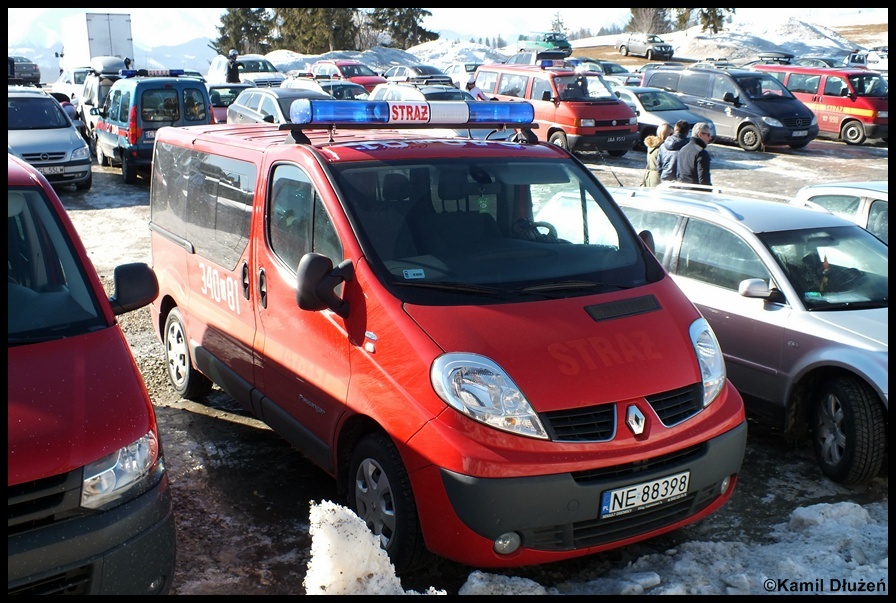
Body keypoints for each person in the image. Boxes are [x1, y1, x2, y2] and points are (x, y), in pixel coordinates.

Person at [676, 121, 713, 186]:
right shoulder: (701, 153)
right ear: (700, 135)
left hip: (682, 190)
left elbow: (679, 175)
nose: (710, 138)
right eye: (708, 135)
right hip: (696, 193)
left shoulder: (682, 150)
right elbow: (704, 180)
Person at [642, 122, 672, 187]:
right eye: (671, 134)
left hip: (649, 177)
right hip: (658, 179)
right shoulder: (662, 148)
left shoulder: (652, 146)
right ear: (667, 134)